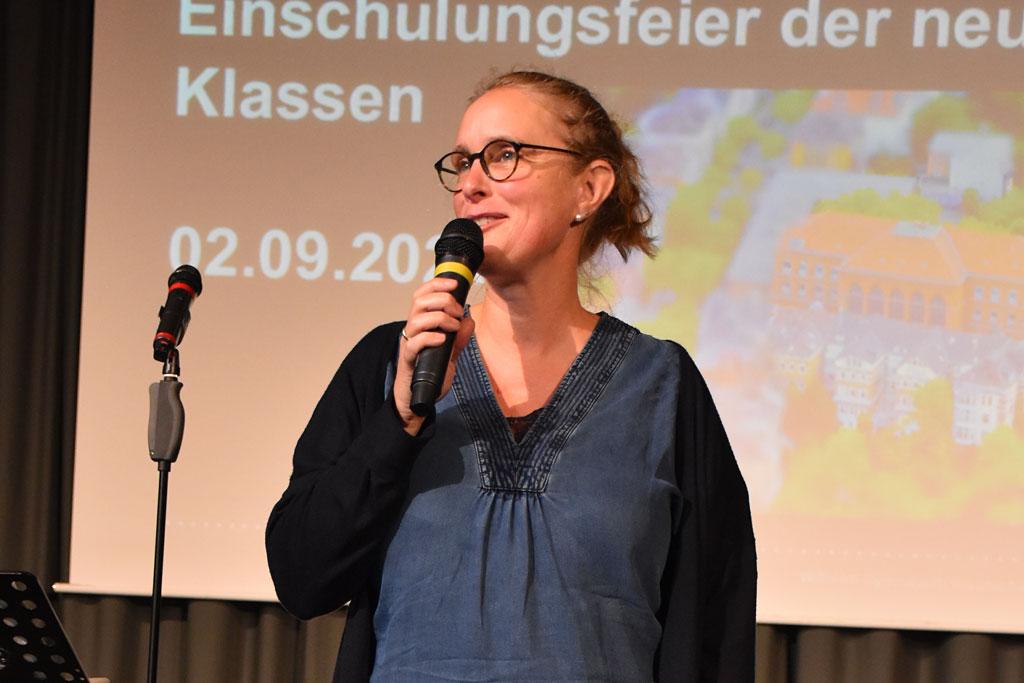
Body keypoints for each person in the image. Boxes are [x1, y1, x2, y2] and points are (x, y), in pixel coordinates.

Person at [266, 70, 756, 682]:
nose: (471, 184)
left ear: (589, 187)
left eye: (504, 156)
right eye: (462, 162)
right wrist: (399, 421)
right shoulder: (390, 363)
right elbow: (301, 578)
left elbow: (714, 635)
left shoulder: (662, 388)